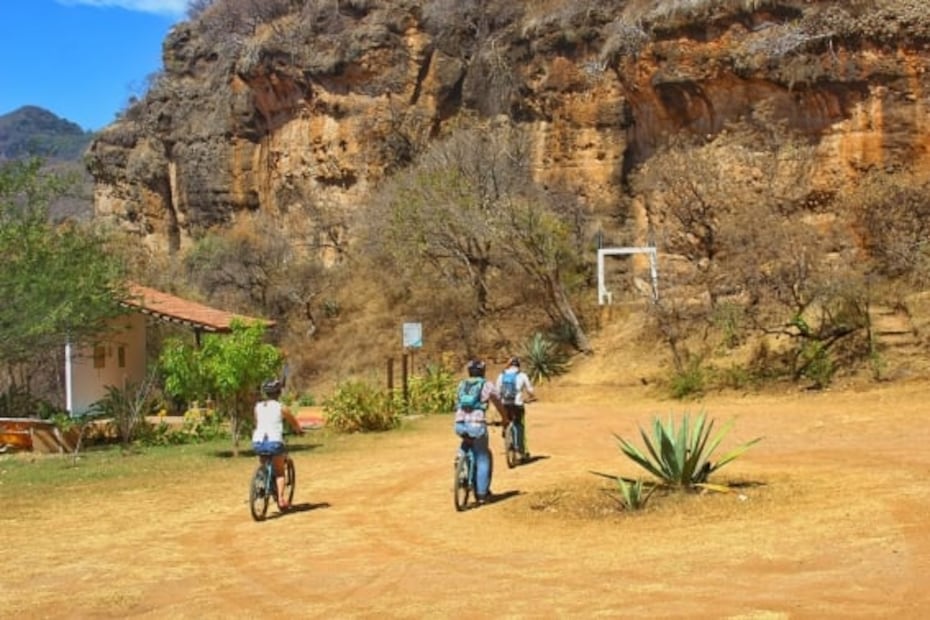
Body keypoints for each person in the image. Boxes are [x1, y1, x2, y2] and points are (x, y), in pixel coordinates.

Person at [454, 359, 503, 505]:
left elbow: (457, 403)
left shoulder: (461, 384)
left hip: (460, 424)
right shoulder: (487, 385)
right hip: (477, 425)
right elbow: (498, 401)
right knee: (482, 457)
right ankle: (482, 495)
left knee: (466, 442)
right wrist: (505, 418)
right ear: (483, 371)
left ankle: (460, 461)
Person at [252, 378, 304, 510]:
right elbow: (293, 422)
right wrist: (298, 430)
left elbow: (258, 423)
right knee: (280, 472)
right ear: (278, 392)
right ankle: (281, 499)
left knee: (264, 464)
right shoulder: (281, 407)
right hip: (274, 441)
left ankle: (263, 483)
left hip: (258, 441)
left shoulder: (257, 407)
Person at [496, 356, 536, 461]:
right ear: (518, 365)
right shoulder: (522, 375)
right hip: (517, 404)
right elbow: (530, 390)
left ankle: (505, 429)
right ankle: (521, 452)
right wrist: (531, 397)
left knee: (506, 419)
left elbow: (497, 391)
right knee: (519, 425)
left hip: (505, 404)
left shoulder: (501, 375)